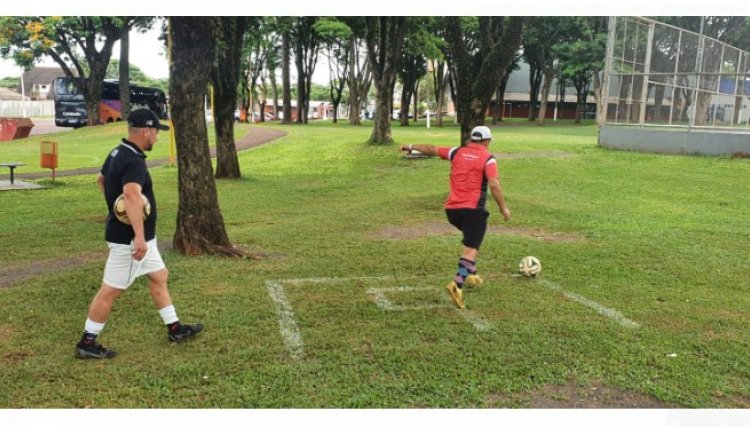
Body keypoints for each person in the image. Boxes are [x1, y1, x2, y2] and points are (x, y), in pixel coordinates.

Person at [75, 109, 204, 359]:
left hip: (136, 237)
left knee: (159, 275)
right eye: (156, 132)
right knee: (110, 290)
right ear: (146, 130)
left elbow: (101, 180)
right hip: (130, 241)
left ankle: (175, 328)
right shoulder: (133, 160)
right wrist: (138, 235)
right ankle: (86, 343)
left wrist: (116, 207)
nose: (157, 138)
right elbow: (132, 194)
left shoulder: (117, 152)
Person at [401, 125, 511, 309]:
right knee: (471, 246)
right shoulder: (488, 159)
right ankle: (457, 283)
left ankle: (473, 274)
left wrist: (411, 145)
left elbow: (433, 149)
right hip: (473, 210)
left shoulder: (457, 152)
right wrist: (503, 208)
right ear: (487, 141)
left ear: (471, 139)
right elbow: (494, 184)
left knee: (472, 240)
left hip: (452, 211)